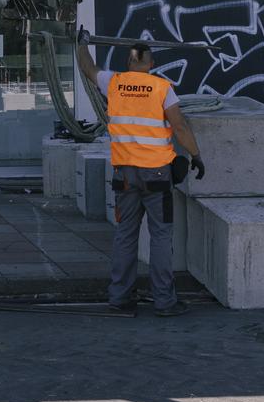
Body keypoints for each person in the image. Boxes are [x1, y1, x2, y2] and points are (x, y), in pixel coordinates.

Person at [76, 29, 204, 317]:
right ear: (152, 63)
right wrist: (196, 155)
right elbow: (180, 126)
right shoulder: (162, 88)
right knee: (160, 237)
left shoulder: (114, 82)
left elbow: (87, 68)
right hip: (157, 175)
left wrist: (82, 44)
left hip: (124, 174)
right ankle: (164, 302)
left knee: (125, 235)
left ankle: (119, 297)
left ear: (128, 61)